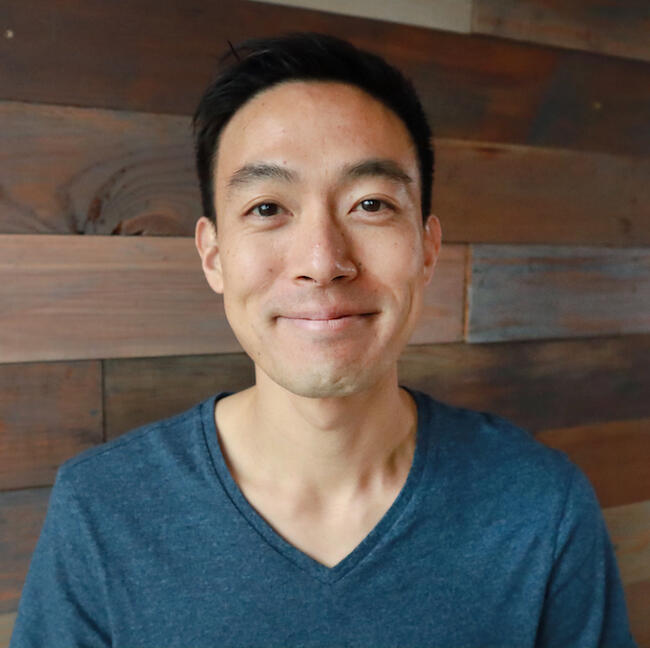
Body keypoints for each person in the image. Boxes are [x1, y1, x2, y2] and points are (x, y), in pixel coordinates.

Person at [11, 33, 635, 647]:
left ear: (426, 248)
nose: (322, 262)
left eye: (370, 204)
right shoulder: (103, 509)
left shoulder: (540, 504)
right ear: (214, 255)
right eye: (267, 208)